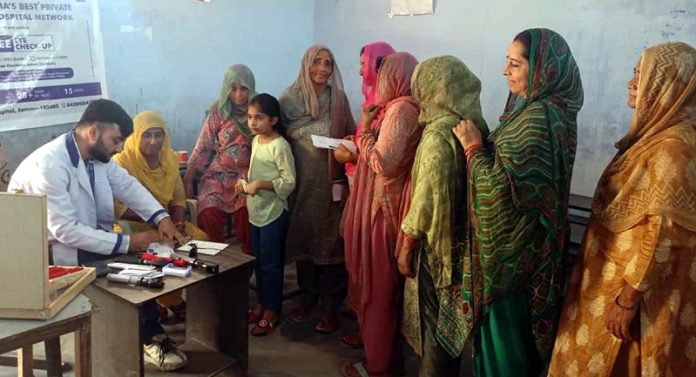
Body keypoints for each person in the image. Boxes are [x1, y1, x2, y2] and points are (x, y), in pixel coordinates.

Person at [549, 42, 696, 377]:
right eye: (633, 73)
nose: (631, 83)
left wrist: (627, 300)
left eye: (641, 76)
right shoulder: (654, 139)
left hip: (634, 297)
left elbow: (662, 235)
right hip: (610, 281)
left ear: (668, 86)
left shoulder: (674, 149)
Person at [8, 99, 188, 371]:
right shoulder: (50, 166)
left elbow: (127, 185)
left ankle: (143, 331)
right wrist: (126, 242)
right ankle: (150, 337)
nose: (119, 148)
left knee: (146, 261)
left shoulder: (97, 157)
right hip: (47, 255)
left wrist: (160, 217)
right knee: (135, 268)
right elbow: (64, 231)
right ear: (93, 133)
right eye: (116, 140)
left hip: (85, 238)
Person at [453, 28, 583, 376]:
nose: (505, 71)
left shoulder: (539, 119)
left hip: (513, 260)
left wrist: (472, 147)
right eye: (506, 62)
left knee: (506, 344)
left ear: (542, 69)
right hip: (525, 252)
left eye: (515, 64)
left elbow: (499, 189)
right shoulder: (533, 110)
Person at [397, 55, 489, 377]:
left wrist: (407, 243)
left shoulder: (437, 135)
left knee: (434, 325)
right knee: (450, 328)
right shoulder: (471, 125)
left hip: (437, 250)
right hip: (465, 247)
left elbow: (425, 200)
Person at [341, 52, 420, 377]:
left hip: (383, 210)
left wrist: (364, 130)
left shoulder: (402, 110)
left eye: (385, 72)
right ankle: (388, 361)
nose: (381, 78)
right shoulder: (400, 108)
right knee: (384, 291)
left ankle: (377, 368)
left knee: (378, 291)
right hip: (386, 206)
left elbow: (384, 164)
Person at [280, 45, 356, 333]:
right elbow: (275, 136)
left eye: (328, 63)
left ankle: (331, 305)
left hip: (330, 184)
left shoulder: (338, 99)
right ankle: (307, 296)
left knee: (331, 243)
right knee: (306, 239)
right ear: (305, 64)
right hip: (301, 185)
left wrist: (345, 143)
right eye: (317, 62)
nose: (323, 69)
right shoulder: (288, 100)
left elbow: (351, 133)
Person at [113, 110, 209, 320]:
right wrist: (157, 220)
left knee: (200, 240)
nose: (154, 141)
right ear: (135, 136)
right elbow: (118, 207)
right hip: (133, 223)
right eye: (147, 135)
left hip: (166, 219)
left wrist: (178, 221)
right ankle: (169, 300)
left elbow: (178, 197)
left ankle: (178, 298)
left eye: (159, 134)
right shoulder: (121, 162)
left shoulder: (171, 159)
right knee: (160, 249)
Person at [336, 41, 395, 350]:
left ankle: (372, 337)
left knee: (372, 269)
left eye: (365, 62)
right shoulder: (371, 100)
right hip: (358, 189)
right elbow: (366, 140)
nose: (360, 69)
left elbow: (381, 158)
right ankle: (366, 327)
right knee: (358, 261)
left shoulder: (393, 109)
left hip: (374, 197)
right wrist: (356, 139)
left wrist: (352, 155)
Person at [237, 93, 296, 336]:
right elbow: (253, 172)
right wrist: (244, 183)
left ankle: (272, 309)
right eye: (250, 117)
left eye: (258, 118)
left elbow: (289, 181)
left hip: (273, 211)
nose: (252, 123)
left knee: (271, 263)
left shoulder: (279, 146)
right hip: (256, 210)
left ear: (272, 119)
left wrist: (260, 184)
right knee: (259, 261)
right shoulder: (256, 141)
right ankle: (262, 303)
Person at [183, 64, 255, 254]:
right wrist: (188, 179)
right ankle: (215, 263)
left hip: (248, 175)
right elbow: (203, 146)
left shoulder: (258, 111)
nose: (238, 95)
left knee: (248, 213)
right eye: (233, 89)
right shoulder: (219, 112)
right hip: (219, 175)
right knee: (208, 211)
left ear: (251, 88)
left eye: (243, 89)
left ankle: (247, 264)